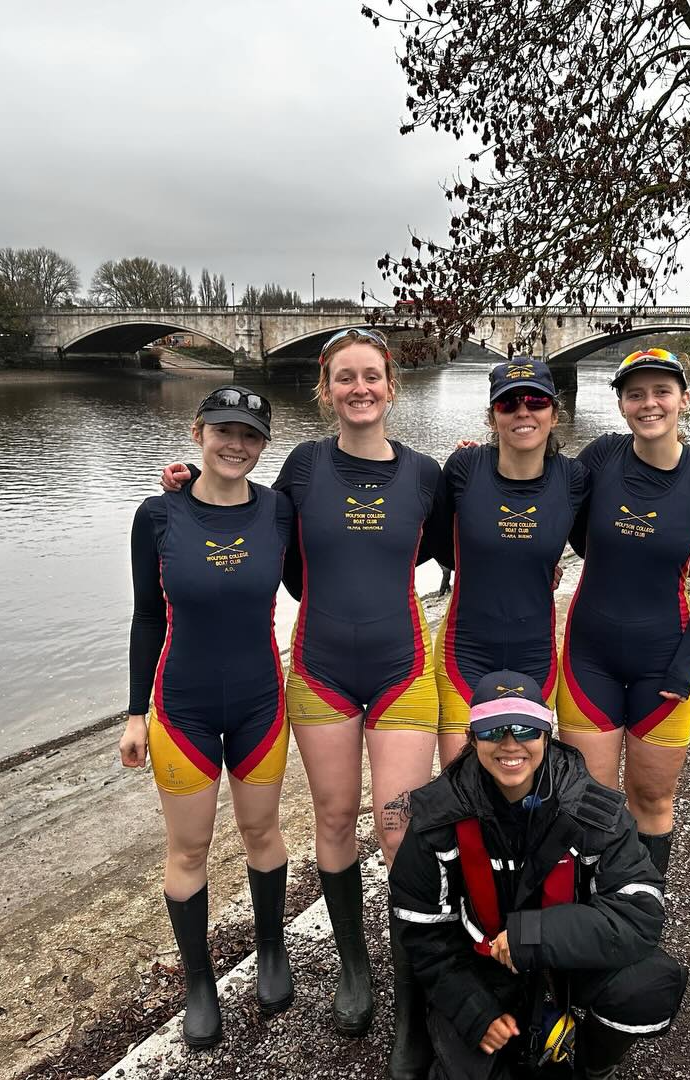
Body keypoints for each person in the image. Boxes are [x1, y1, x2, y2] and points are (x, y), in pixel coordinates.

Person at [162, 328, 442, 1071]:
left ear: (391, 386)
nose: (359, 389)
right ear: (325, 388)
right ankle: (356, 970)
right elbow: (252, 527)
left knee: (399, 829)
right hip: (319, 669)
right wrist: (183, 487)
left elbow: (470, 542)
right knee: (331, 816)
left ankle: (413, 1005)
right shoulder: (304, 466)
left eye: (371, 377)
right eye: (344, 377)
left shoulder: (423, 474)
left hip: (403, 668)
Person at [390, 670, 687, 1079]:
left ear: (547, 735)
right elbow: (422, 935)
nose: (510, 744)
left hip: (566, 957)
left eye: (525, 729)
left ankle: (589, 1065)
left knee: (647, 985)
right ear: (472, 737)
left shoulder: (592, 810)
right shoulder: (438, 818)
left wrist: (535, 936)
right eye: (494, 731)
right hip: (479, 967)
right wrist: (473, 1011)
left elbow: (640, 914)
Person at [122, 387, 296, 1049]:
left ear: (263, 445)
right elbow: (146, 617)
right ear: (197, 432)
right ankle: (199, 984)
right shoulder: (157, 517)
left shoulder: (279, 510)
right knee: (188, 848)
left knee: (262, 833)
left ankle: (272, 952)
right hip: (183, 708)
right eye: (224, 430)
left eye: (251, 435)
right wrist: (134, 713)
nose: (237, 444)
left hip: (259, 703)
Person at [558, 348, 690, 878]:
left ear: (684, 399)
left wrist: (687, 663)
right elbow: (558, 508)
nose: (649, 404)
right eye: (635, 394)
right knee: (589, 805)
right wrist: (479, 459)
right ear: (620, 405)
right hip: (588, 659)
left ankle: (642, 919)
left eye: (662, 391)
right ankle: (592, 918)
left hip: (665, 664)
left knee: (651, 801)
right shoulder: (600, 458)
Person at [428, 360, 589, 767]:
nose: (523, 411)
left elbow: (600, 544)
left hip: (535, 657)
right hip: (463, 653)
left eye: (536, 400)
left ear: (555, 413)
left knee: (525, 787)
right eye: (508, 403)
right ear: (492, 415)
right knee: (461, 788)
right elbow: (439, 549)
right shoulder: (464, 468)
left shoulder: (574, 478)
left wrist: (687, 552)